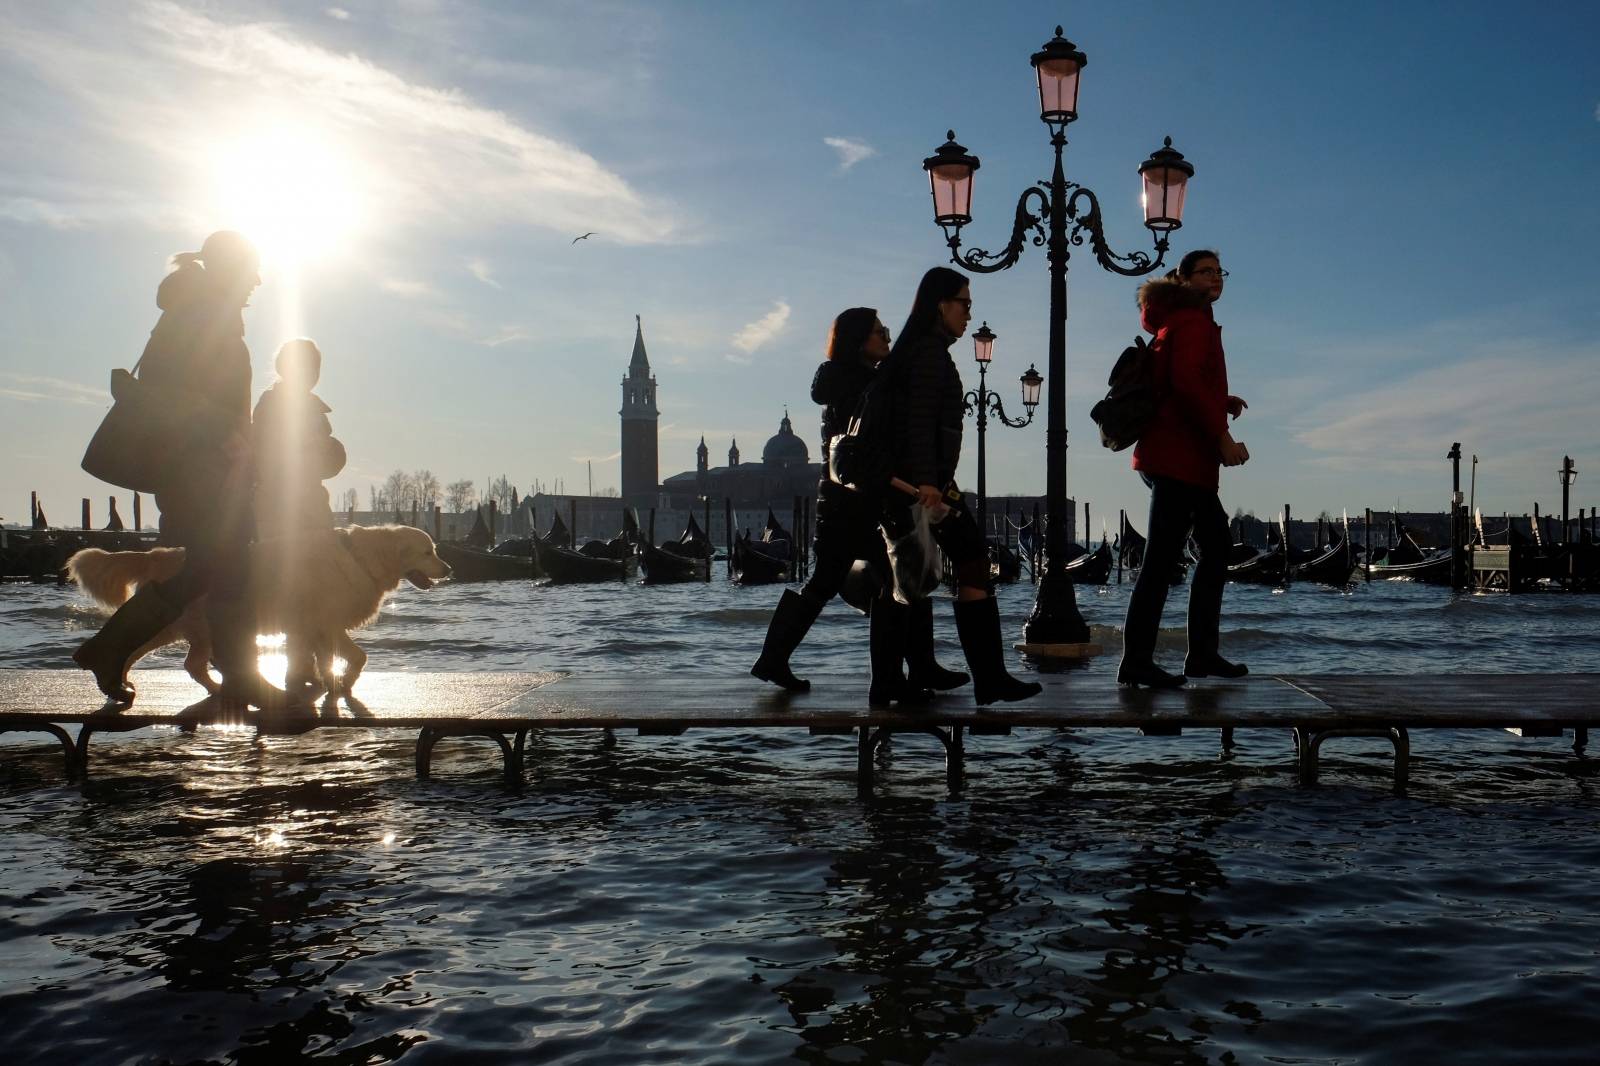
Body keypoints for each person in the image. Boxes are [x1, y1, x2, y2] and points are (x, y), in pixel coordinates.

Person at [73, 231, 285, 708]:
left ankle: (238, 677)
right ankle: (114, 649)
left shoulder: (204, 312)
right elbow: (170, 395)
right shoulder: (198, 314)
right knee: (218, 569)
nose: (257, 279)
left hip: (213, 470)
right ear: (230, 270)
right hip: (198, 472)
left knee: (226, 571)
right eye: (251, 268)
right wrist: (224, 433)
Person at [750, 308, 968, 706]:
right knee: (898, 579)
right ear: (858, 340)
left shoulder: (848, 382)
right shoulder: (863, 386)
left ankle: (777, 659)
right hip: (859, 503)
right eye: (879, 332)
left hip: (843, 502)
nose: (886, 337)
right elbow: (871, 448)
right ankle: (898, 676)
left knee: (837, 582)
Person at [882, 267, 1041, 706]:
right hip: (924, 488)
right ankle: (989, 680)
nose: (969, 314)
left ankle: (954, 676)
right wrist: (930, 482)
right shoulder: (930, 353)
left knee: (929, 574)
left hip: (924, 484)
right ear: (941, 304)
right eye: (964, 304)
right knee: (968, 562)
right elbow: (920, 420)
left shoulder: (918, 350)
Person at [1118, 249, 1250, 688]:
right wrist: (1222, 437)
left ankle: (1202, 656)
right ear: (1185, 278)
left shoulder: (1184, 318)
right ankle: (1138, 661)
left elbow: (1181, 381)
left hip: (1180, 459)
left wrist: (1222, 402)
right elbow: (1186, 382)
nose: (1215, 278)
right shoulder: (1192, 321)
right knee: (1161, 562)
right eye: (1206, 271)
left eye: (1219, 271)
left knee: (1216, 548)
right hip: (1178, 460)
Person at [252, 338, 346, 541]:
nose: (310, 374)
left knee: (319, 562)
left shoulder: (317, 412)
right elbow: (262, 451)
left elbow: (323, 464)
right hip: (277, 504)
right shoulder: (271, 405)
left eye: (314, 369)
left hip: (313, 504)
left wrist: (333, 454)